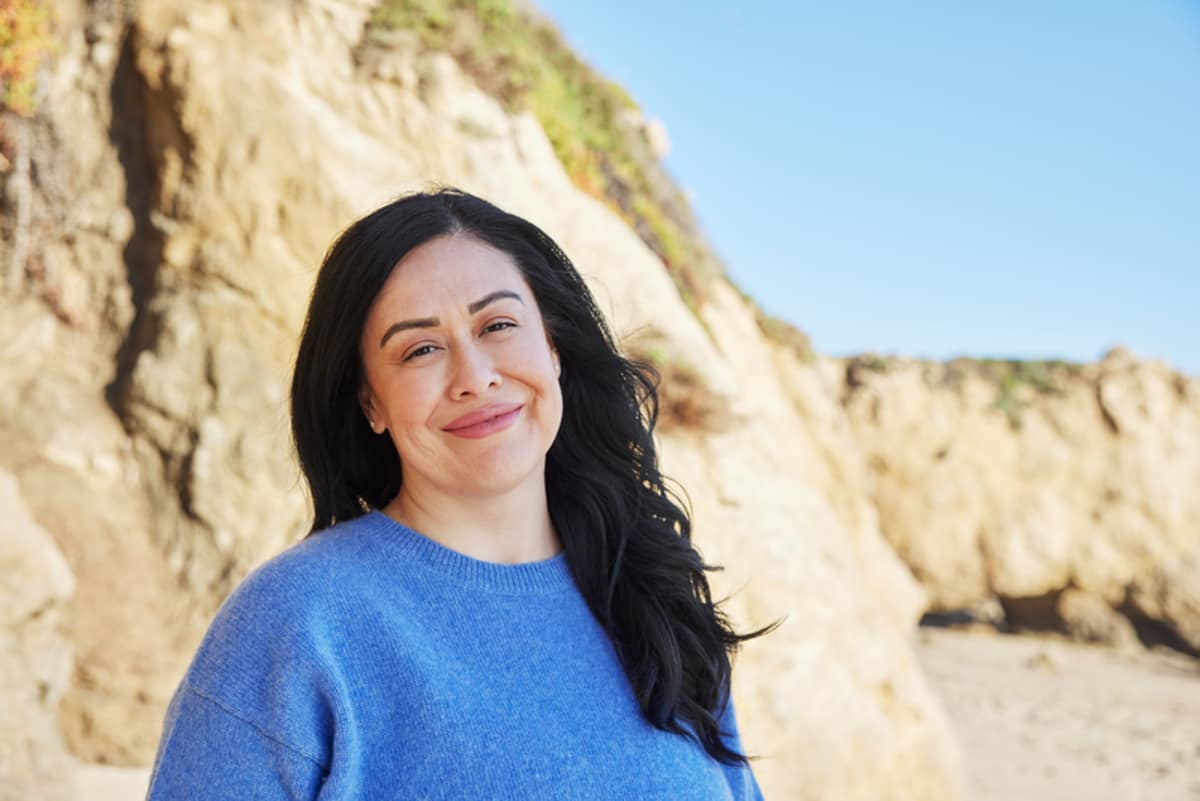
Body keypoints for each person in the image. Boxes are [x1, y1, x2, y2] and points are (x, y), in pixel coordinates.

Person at [144, 188, 773, 800]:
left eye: (498, 324)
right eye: (420, 349)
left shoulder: (650, 600)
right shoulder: (299, 623)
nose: (475, 377)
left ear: (553, 347)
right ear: (370, 402)